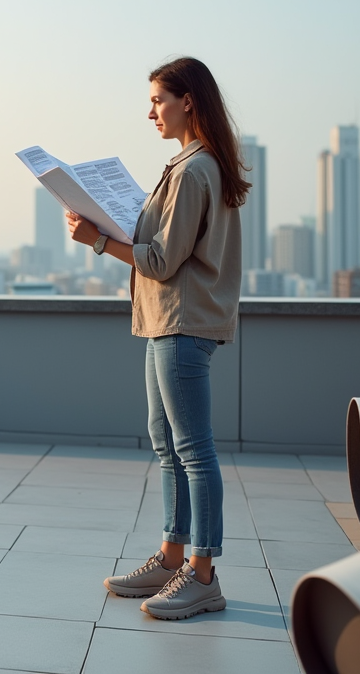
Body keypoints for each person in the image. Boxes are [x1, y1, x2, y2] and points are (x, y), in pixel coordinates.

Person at [65, 57, 248, 620]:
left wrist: (98, 241)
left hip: (182, 321)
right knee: (167, 446)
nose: (151, 112)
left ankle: (202, 575)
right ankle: (172, 558)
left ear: (187, 101)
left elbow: (163, 261)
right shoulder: (191, 165)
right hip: (165, 321)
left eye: (158, 101)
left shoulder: (195, 171)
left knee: (194, 451)